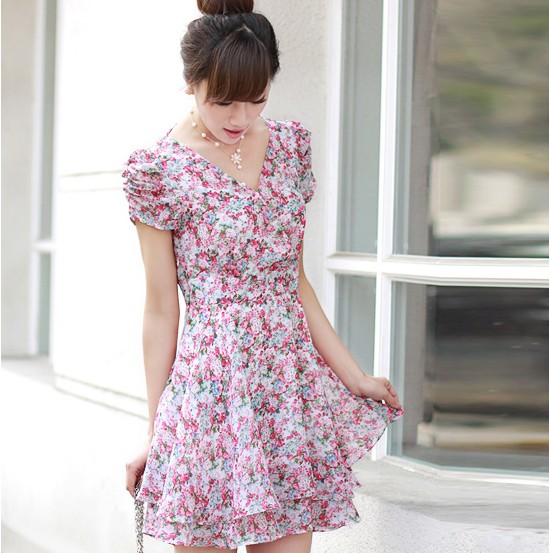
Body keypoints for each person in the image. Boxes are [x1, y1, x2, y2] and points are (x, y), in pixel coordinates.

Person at [123, 1, 403, 551]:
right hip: (208, 395)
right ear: (191, 83)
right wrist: (160, 432)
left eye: (257, 99)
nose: (240, 118)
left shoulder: (290, 147)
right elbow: (160, 307)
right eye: (223, 101)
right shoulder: (158, 171)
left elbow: (293, 281)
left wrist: (354, 377)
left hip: (284, 392)